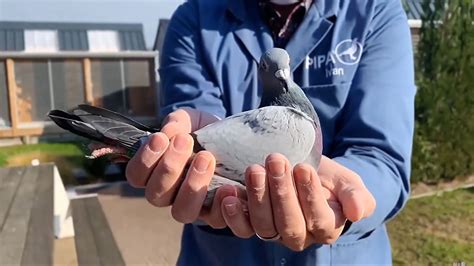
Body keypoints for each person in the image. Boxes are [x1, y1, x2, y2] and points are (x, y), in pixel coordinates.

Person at [125, 0, 415, 264]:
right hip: (221, 255)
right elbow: (197, 142)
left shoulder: (375, 11)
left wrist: (339, 202)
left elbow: (381, 156)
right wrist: (180, 166)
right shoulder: (195, 19)